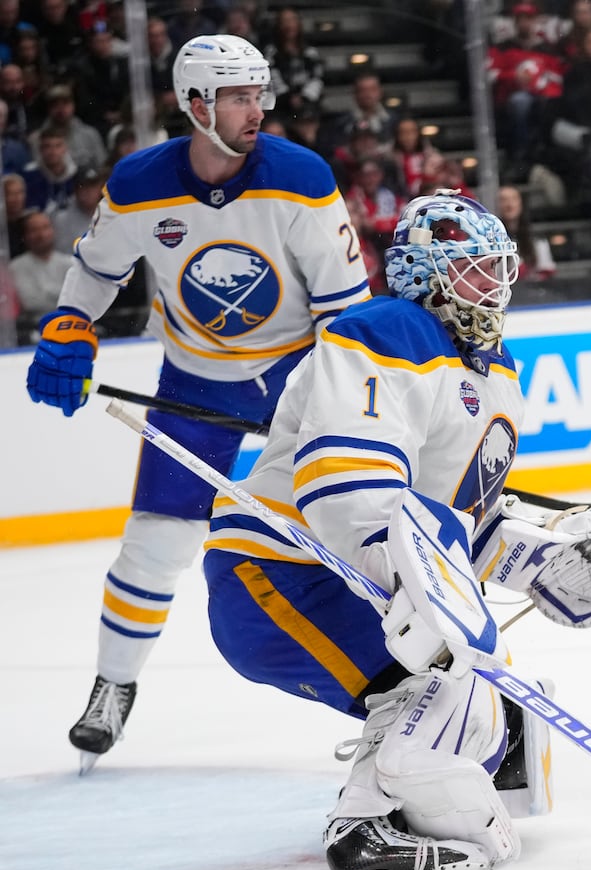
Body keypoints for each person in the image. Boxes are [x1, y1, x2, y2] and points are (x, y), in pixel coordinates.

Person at [201, 189, 591, 870]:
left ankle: (412, 787)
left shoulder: (495, 373)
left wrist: (543, 564)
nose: (492, 284)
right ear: (420, 271)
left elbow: (455, 523)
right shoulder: (389, 328)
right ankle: (365, 829)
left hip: (347, 575)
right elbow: (346, 480)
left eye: (494, 267)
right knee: (450, 676)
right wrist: (408, 579)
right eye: (471, 268)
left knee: (485, 703)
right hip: (282, 571)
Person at [23, 35, 372, 771]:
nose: (257, 109)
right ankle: (112, 687)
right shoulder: (141, 181)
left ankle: (394, 686)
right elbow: (96, 268)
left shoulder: (300, 177)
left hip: (296, 376)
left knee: (350, 525)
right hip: (193, 379)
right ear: (195, 103)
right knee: (156, 541)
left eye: (259, 93)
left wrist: (329, 403)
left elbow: (345, 308)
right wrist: (69, 322)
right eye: (239, 96)